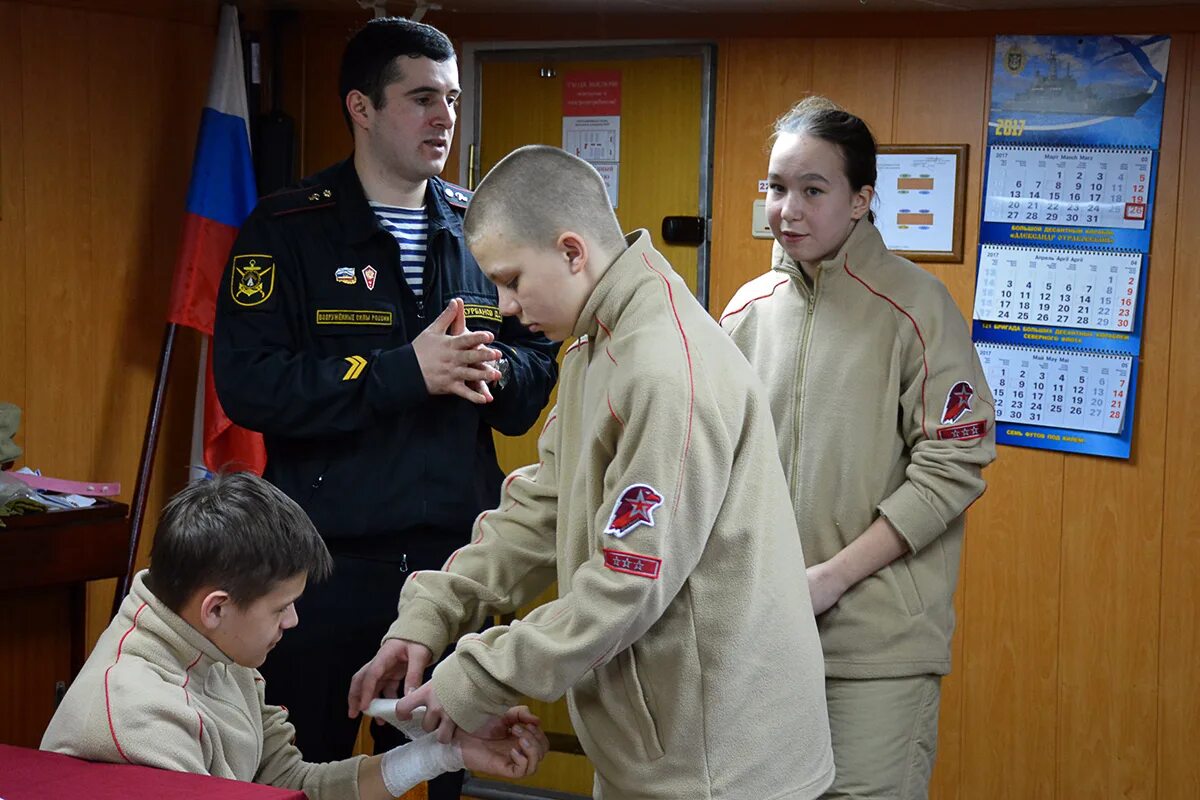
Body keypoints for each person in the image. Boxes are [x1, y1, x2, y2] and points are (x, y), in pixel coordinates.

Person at [348, 144, 835, 800]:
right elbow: (543, 503)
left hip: (720, 767)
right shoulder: (597, 335)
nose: (507, 305)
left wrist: (477, 676)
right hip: (655, 745)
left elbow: (625, 586)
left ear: (573, 252)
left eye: (514, 279)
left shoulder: (665, 366)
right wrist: (434, 611)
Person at [211, 17, 560, 797]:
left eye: (454, 100)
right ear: (362, 108)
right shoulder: (287, 229)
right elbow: (252, 385)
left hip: (451, 565)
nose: (444, 119)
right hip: (324, 573)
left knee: (441, 771)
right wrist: (405, 372)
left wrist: (495, 368)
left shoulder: (484, 226)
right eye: (421, 98)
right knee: (312, 774)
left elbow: (540, 360)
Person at [719, 96, 997, 799]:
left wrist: (834, 577)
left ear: (861, 199)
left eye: (814, 190)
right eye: (778, 188)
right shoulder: (746, 310)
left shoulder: (917, 307)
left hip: (877, 650)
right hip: (762, 641)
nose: (790, 209)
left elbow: (953, 468)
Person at [40, 472, 549, 800]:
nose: (292, 622)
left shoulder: (214, 648)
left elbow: (290, 787)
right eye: (281, 607)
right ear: (217, 607)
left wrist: (443, 752)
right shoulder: (136, 716)